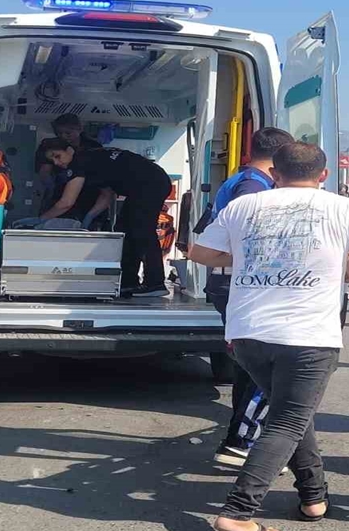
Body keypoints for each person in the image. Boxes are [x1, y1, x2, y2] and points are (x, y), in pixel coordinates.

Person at [188, 142, 349, 531]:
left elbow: (201, 252)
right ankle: (237, 512)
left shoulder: (242, 207)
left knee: (292, 413)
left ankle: (313, 496)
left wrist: (245, 261)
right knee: (287, 420)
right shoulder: (345, 208)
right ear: (324, 174)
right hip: (307, 335)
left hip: (247, 332)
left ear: (275, 173)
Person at [199, 127, 296, 469]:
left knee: (250, 367)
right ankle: (242, 441)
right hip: (238, 284)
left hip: (231, 283)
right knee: (264, 366)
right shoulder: (253, 187)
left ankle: (246, 438)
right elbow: (248, 239)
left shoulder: (243, 179)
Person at [41, 141, 172, 297]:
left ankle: (155, 283)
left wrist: (41, 220)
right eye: (52, 161)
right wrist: (89, 218)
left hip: (150, 184)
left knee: (142, 231)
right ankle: (128, 283)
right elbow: (106, 194)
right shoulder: (92, 159)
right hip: (149, 182)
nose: (57, 162)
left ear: (69, 150)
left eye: (57, 156)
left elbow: (66, 202)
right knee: (124, 230)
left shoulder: (79, 163)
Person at [34, 114, 104, 214]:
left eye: (68, 133)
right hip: (58, 193)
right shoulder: (50, 146)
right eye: (59, 133)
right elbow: (45, 173)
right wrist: (52, 190)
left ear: (80, 129)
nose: (63, 136)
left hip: (90, 194)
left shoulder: (94, 147)